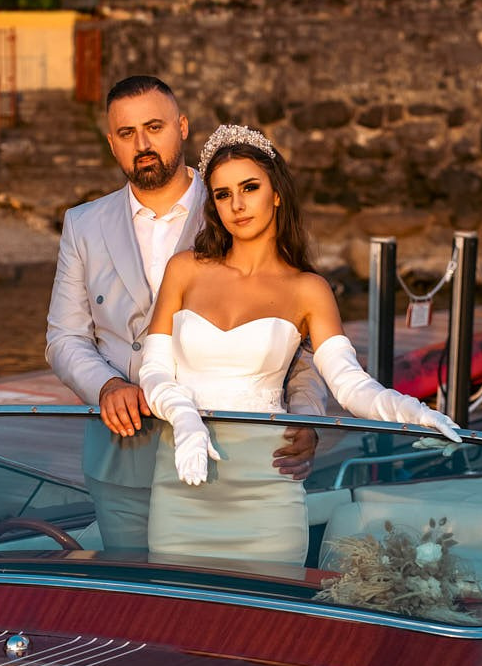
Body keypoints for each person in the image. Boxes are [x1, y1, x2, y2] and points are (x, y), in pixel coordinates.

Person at [135, 123, 463, 566]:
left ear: (276, 193)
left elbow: (349, 384)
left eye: (249, 188)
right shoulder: (184, 270)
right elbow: (153, 370)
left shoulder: (309, 289)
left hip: (267, 488)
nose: (237, 205)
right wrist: (184, 416)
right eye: (223, 194)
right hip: (181, 480)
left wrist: (414, 412)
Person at [46, 77, 321, 551]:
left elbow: (300, 334)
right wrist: (106, 386)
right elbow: (64, 338)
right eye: (127, 133)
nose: (143, 144)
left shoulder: (235, 204)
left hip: (236, 456)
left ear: (183, 127)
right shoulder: (83, 224)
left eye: (154, 127)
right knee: (137, 594)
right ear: (112, 143)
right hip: (123, 455)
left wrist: (308, 418)